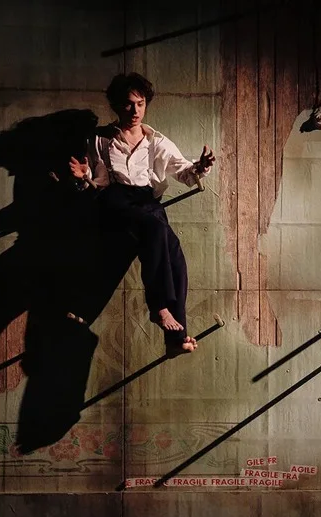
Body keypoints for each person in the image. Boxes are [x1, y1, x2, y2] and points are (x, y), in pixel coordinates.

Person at [69, 72, 216, 356]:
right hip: (114, 202)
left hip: (147, 203)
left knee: (175, 257)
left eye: (140, 103)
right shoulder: (100, 139)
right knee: (155, 229)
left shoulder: (156, 141)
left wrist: (199, 167)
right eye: (128, 104)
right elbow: (95, 181)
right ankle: (159, 307)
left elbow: (184, 171)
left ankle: (176, 339)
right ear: (116, 105)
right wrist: (82, 176)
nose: (135, 111)